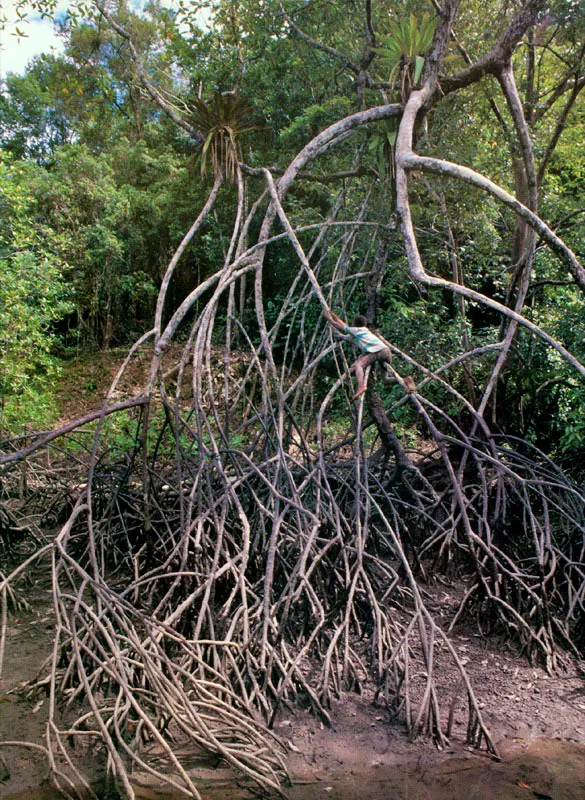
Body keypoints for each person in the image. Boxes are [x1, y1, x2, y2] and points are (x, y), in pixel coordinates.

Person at [324, 310, 393, 399]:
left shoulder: (357, 331)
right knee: (386, 379)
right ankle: (406, 380)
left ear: (354, 324)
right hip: (386, 352)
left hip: (378, 351)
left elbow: (339, 326)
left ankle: (361, 386)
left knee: (358, 366)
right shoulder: (363, 331)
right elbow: (342, 325)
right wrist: (333, 315)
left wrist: (328, 318)